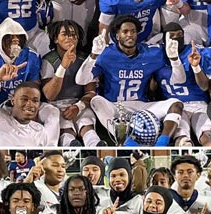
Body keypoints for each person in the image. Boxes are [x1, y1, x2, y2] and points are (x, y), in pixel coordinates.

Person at [77, 14, 185, 146]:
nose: (130, 35)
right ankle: (128, 141)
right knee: (96, 101)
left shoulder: (152, 53)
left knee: (176, 103)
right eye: (125, 31)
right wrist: (93, 55)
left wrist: (174, 59)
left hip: (141, 106)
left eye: (133, 31)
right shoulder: (106, 53)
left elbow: (179, 80)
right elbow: (81, 80)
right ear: (117, 36)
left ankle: (162, 143)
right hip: (114, 106)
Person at [0, 63, 60, 146]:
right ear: (13, 100)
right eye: (24, 99)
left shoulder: (40, 133)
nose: (30, 104)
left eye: (35, 100)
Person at [40, 20, 103, 147]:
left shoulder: (85, 59)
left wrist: (78, 106)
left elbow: (90, 92)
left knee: (85, 120)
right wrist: (63, 66)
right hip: (56, 104)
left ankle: (94, 143)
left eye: (73, 35)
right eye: (65, 34)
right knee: (63, 122)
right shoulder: (49, 60)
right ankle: (69, 143)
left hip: (79, 102)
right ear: (56, 39)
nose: (70, 38)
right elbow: (49, 95)